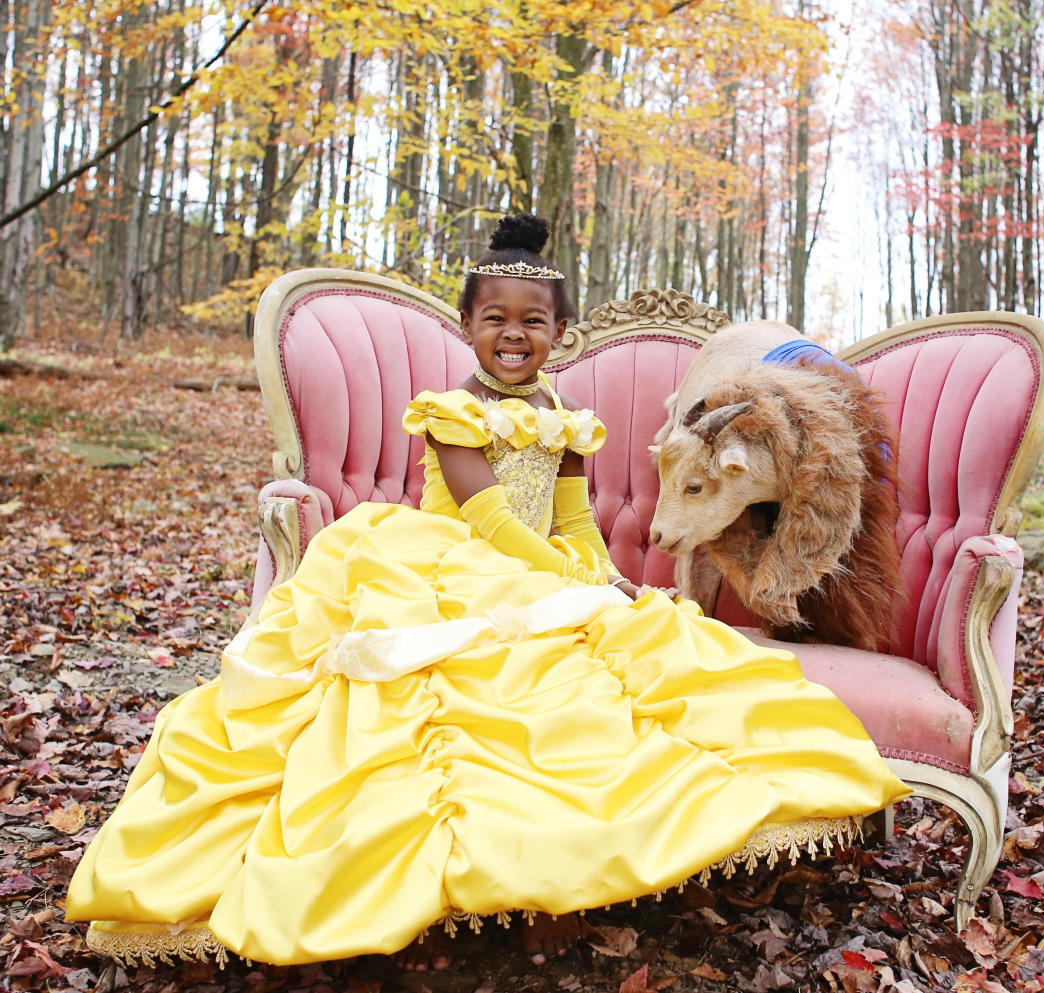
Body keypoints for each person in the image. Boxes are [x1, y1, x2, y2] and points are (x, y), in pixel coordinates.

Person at [65, 214, 909, 974]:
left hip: (532, 563)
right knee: (444, 701)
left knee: (622, 672)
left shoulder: (568, 422)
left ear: (560, 333)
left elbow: (571, 521)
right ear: (467, 327)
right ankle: (450, 872)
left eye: (534, 322)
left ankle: (575, 859)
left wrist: (602, 576)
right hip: (445, 559)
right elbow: (493, 518)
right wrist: (560, 575)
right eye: (496, 320)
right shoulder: (452, 413)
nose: (515, 335)